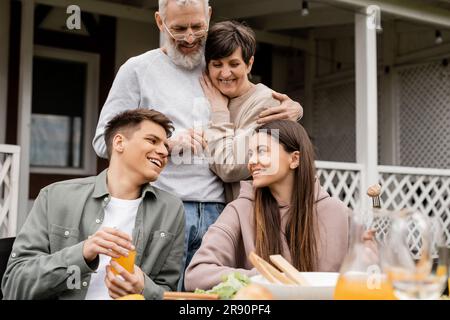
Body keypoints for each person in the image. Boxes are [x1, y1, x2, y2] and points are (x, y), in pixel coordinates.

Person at [92, 0, 303, 288]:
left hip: (221, 209)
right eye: (179, 29)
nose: (190, 38)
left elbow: (255, 105)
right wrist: (166, 143)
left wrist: (295, 111)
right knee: (155, 292)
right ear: (159, 22)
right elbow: (103, 142)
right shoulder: (138, 70)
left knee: (212, 297)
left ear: (209, 17)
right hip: (162, 207)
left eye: (197, 27)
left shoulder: (219, 65)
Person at [1, 109, 185, 300]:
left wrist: (143, 289)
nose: (164, 151)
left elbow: (168, 293)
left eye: (165, 145)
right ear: (119, 142)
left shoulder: (171, 210)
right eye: (152, 140)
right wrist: (82, 253)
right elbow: (14, 285)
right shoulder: (55, 196)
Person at [184, 120, 350, 291]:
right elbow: (196, 274)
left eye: (262, 151)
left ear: (294, 159)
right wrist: (262, 277)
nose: (252, 161)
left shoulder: (338, 213)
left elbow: (368, 277)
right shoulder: (240, 210)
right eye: (250, 154)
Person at [200, 20, 298, 202]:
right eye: (217, 64)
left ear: (249, 64)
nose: (225, 73)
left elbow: (230, 167)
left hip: (260, 216)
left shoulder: (266, 103)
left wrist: (220, 113)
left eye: (234, 64)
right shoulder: (210, 97)